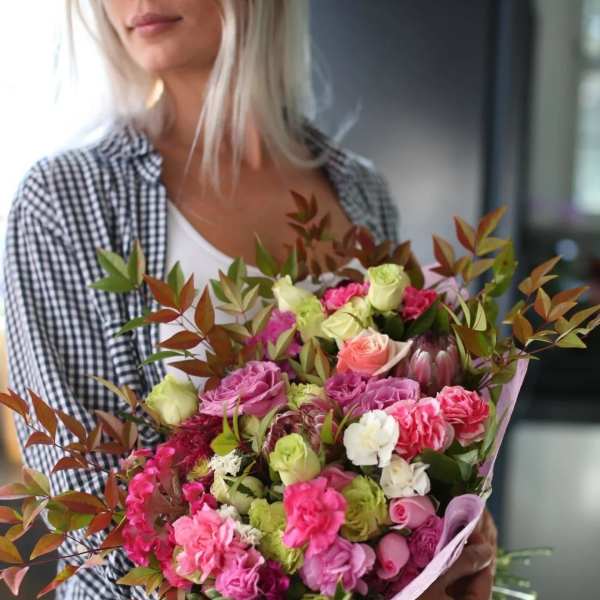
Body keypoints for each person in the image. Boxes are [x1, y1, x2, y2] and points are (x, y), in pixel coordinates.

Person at [4, 1, 496, 598]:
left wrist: (447, 540)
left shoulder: (359, 191)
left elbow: (406, 439)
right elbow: (87, 504)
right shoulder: (67, 202)